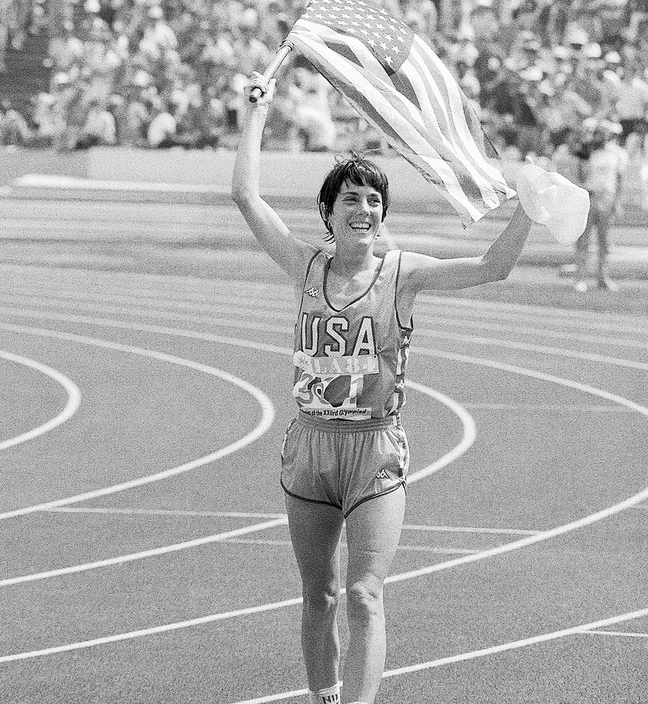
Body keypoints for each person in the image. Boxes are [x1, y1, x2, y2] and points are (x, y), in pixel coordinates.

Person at [231, 72, 534, 704]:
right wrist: (253, 114)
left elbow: (492, 268)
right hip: (309, 450)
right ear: (328, 212)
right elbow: (246, 198)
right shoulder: (303, 265)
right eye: (351, 199)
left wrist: (527, 209)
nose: (364, 210)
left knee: (365, 593)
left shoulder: (403, 273)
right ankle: (325, 697)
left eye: (374, 201)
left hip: (374, 453)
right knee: (319, 594)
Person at [567, 119, 628, 292]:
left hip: (606, 198)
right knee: (583, 239)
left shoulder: (617, 154)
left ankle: (603, 277)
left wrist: (617, 202)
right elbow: (580, 176)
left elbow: (619, 180)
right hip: (588, 196)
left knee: (604, 241)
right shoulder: (586, 152)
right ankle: (580, 277)